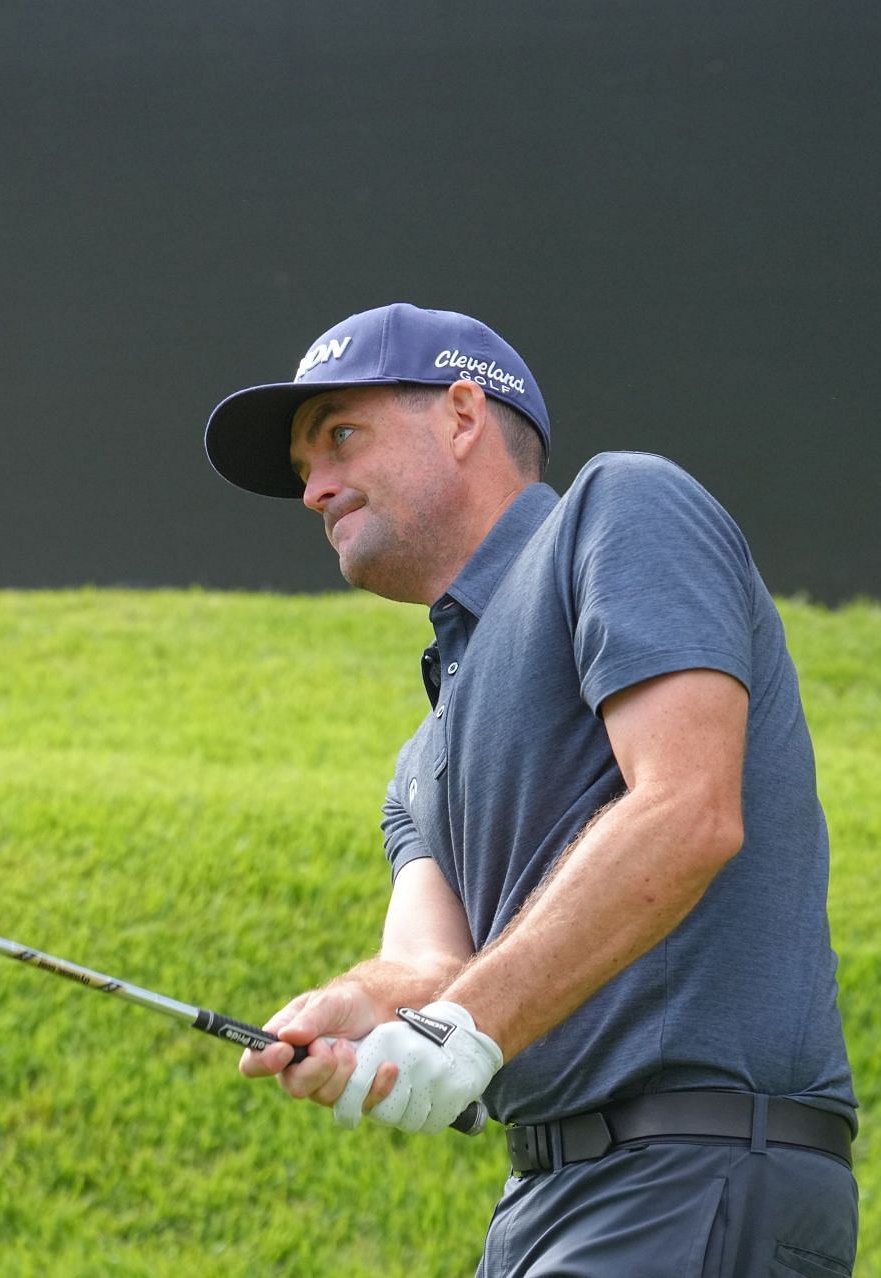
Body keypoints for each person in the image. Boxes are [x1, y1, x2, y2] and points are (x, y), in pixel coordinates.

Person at [204, 303, 858, 1274]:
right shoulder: (423, 754)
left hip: (698, 1171)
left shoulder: (621, 512)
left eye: (339, 436)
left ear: (463, 415)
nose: (316, 489)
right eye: (305, 469)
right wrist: (355, 1004)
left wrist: (468, 1026)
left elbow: (688, 809)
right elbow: (427, 972)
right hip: (544, 1201)